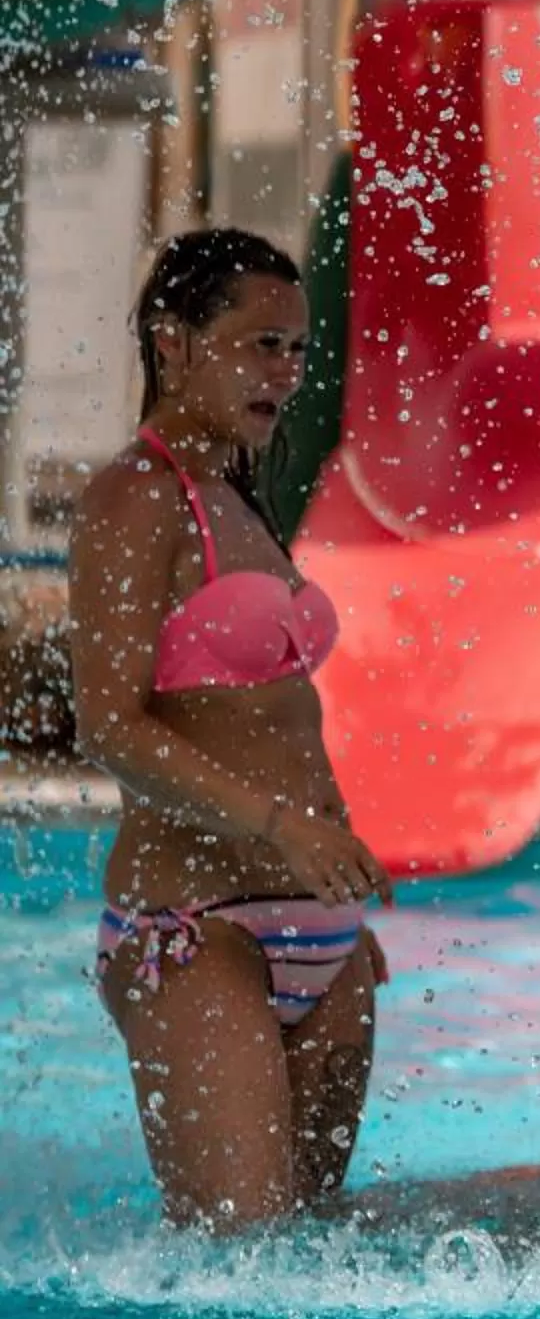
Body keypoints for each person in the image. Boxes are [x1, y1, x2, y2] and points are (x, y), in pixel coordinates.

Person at [69, 228, 392, 1229]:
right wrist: (284, 830)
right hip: (198, 934)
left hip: (325, 941)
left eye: (296, 349)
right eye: (259, 345)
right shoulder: (136, 497)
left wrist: (330, 887)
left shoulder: (234, 497)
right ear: (172, 344)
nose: (286, 372)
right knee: (237, 1274)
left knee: (307, 1269)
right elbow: (109, 726)